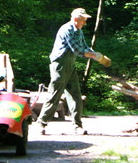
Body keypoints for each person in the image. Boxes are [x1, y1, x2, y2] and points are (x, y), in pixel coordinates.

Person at [36, 8, 103, 136]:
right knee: (54, 94)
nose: (85, 22)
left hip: (70, 64)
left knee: (76, 95)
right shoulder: (67, 29)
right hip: (60, 64)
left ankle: (77, 126)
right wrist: (94, 56)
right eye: (83, 20)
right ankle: (41, 123)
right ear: (76, 19)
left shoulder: (79, 30)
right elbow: (77, 50)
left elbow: (84, 46)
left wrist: (94, 53)